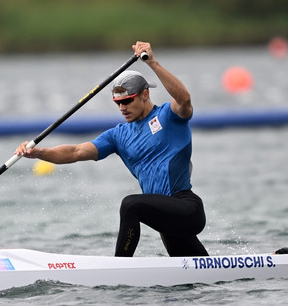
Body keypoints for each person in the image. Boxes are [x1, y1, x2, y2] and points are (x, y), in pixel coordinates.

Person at [15, 41, 209, 257]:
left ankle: (120, 265)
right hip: (165, 220)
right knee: (193, 277)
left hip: (186, 208)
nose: (122, 107)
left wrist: (152, 62)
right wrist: (38, 152)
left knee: (130, 205)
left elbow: (184, 99)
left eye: (127, 101)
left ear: (145, 94)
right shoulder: (118, 135)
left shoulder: (168, 117)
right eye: (117, 103)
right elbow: (76, 151)